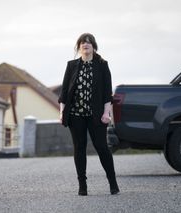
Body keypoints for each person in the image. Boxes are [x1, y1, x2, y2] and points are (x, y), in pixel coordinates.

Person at [58, 33, 119, 196]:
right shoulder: (71, 66)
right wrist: (62, 112)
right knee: (79, 148)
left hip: (96, 115)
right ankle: (82, 186)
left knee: (101, 147)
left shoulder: (102, 65)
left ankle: (113, 183)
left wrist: (107, 113)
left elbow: (107, 93)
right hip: (75, 114)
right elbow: (64, 93)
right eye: (82, 42)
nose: (85, 44)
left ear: (94, 46)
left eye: (89, 42)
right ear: (79, 47)